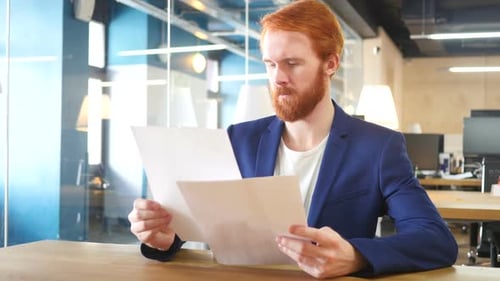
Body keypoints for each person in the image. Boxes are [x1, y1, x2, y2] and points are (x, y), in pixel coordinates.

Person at [128, 0, 458, 278]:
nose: (278, 78)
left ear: (330, 64)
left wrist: (355, 255)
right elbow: (194, 227)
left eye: (292, 64)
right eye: (270, 64)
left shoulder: (378, 148)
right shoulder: (239, 138)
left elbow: (435, 240)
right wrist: (163, 237)